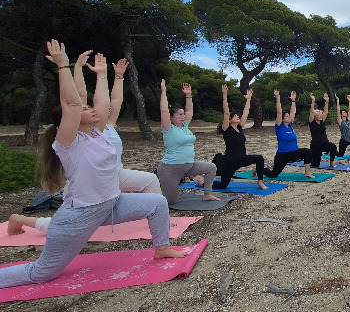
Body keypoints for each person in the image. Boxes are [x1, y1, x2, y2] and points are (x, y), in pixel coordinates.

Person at [0, 40, 183, 290]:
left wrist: (103, 76)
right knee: (41, 273)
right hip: (80, 214)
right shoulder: (68, 143)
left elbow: (104, 104)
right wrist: (65, 67)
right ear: (70, 120)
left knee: (157, 203)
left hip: (112, 203)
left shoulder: (97, 133)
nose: (91, 109)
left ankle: (161, 248)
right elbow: (74, 103)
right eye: (85, 110)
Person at [8, 55, 161, 235]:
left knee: (150, 181)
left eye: (90, 107)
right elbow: (76, 99)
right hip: (86, 188)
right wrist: (73, 69)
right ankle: (21, 220)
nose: (93, 109)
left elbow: (113, 101)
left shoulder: (104, 126)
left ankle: (157, 218)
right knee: (65, 228)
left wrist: (115, 77)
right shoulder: (75, 138)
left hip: (111, 176)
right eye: (86, 109)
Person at [156, 80, 219, 203]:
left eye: (183, 114)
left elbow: (190, 111)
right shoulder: (168, 128)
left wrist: (188, 95)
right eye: (180, 114)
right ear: (172, 117)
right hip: (170, 170)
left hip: (188, 166)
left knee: (211, 167)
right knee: (170, 201)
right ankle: (154, 188)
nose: (183, 116)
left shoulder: (185, 127)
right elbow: (164, 110)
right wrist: (163, 91)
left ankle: (207, 194)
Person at [198, 84, 269, 191]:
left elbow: (246, 112)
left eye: (237, 116)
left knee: (259, 158)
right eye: (235, 116)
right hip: (230, 161)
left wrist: (248, 99)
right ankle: (203, 183)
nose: (238, 116)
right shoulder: (226, 129)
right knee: (223, 185)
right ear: (230, 119)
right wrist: (225, 96)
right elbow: (226, 113)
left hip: (242, 158)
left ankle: (260, 182)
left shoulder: (239, 128)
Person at [267, 90, 314, 178]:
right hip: (282, 155)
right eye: (287, 116)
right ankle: (258, 169)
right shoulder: (279, 126)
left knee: (307, 152)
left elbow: (293, 112)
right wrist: (278, 98)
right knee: (273, 175)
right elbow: (279, 112)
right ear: (282, 119)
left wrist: (293, 100)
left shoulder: (290, 126)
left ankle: (307, 172)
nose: (289, 117)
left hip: (293, 153)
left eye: (289, 116)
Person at [307, 93, 338, 168]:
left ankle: (331, 162)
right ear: (315, 117)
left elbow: (326, 112)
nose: (321, 116)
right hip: (316, 145)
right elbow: (311, 112)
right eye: (319, 115)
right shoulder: (312, 122)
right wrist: (313, 101)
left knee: (333, 147)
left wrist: (327, 101)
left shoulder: (322, 121)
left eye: (321, 115)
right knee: (315, 164)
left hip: (324, 143)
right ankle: (310, 158)